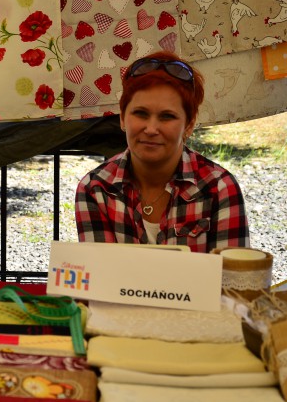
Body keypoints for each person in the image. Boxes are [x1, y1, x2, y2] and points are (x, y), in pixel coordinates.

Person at [75, 51, 249, 253]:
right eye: (140, 113)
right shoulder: (95, 189)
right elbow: (100, 270)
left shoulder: (220, 189)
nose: (151, 129)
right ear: (122, 118)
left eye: (167, 116)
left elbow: (231, 273)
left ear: (189, 125)